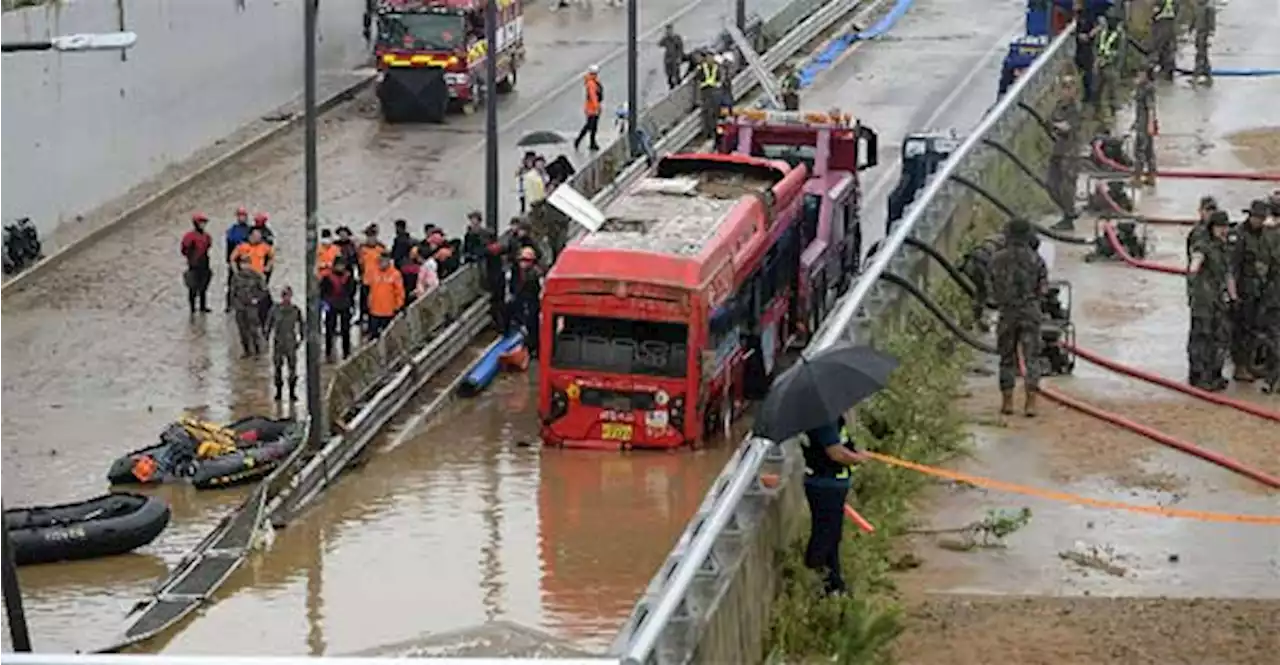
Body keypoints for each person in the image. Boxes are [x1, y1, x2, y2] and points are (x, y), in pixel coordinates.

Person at [990, 218, 1048, 416]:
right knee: (1032, 358)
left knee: (1006, 358)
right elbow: (1042, 289)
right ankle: (1030, 404)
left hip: (1007, 313)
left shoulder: (997, 258)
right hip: (1030, 312)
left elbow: (992, 288)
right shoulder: (1036, 259)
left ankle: (1007, 403)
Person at [800, 416, 863, 596]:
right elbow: (836, 453)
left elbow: (840, 443)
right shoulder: (823, 420)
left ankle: (834, 584)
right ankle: (816, 583)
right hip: (826, 485)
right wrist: (858, 459)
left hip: (830, 484)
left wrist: (854, 451)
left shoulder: (827, 417)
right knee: (825, 536)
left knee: (832, 536)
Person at [1187, 210, 1235, 391]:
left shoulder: (1225, 248)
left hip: (1218, 299)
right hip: (1203, 300)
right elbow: (1194, 266)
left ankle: (1215, 373)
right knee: (1202, 336)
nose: (1223, 231)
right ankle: (1198, 375)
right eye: (1220, 227)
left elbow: (1228, 274)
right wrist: (1194, 287)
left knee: (1220, 336)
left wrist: (1233, 297)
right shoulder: (1203, 245)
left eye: (1225, 227)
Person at [1231, 200, 1279, 382]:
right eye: (1256, 217)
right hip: (1244, 289)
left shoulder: (1265, 235)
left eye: (1261, 217)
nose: (1258, 221)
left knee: (1254, 328)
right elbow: (1233, 267)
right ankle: (1240, 366)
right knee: (1241, 329)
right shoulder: (1239, 235)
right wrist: (1232, 294)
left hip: (1260, 289)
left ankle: (1248, 363)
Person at [1047, 75, 1082, 229]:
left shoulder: (1076, 108)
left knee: (1067, 187)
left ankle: (1068, 217)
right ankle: (1068, 212)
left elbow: (1068, 127)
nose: (1066, 91)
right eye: (1064, 88)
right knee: (1051, 185)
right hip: (1057, 149)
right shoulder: (1059, 105)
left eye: (1069, 88)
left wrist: (1057, 125)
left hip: (1071, 152)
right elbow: (1051, 122)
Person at [960, 231, 1008, 331]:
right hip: (980, 265)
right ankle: (975, 321)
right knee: (985, 294)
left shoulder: (994, 238)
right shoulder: (1005, 243)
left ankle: (974, 321)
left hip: (971, 263)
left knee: (980, 294)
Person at [267, 286, 303, 401]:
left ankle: (292, 392)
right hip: (278, 342)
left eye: (288, 295)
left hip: (291, 342)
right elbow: (268, 324)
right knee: (277, 367)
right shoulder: (275, 309)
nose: (286, 298)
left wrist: (300, 339)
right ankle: (278, 392)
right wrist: (266, 337)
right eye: (284, 295)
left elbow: (302, 325)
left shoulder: (295, 310)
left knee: (292, 368)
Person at [229, 255, 268, 357]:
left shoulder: (257, 276)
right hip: (240, 307)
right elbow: (233, 292)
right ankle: (246, 351)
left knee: (254, 330)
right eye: (243, 263)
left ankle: (257, 351)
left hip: (252, 308)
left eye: (247, 263)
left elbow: (263, 292)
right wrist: (234, 305)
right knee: (242, 331)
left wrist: (257, 300)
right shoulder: (236, 277)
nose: (245, 266)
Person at [507, 246, 543, 355]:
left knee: (533, 325)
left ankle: (535, 347)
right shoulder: (517, 271)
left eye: (526, 260)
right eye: (521, 260)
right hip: (523, 302)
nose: (522, 263)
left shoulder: (536, 274)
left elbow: (541, 290)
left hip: (533, 303)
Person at [320, 259, 357, 362]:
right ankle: (328, 352)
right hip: (332, 305)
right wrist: (325, 303)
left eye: (342, 265)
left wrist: (350, 303)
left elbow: (352, 291)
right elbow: (323, 292)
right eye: (338, 265)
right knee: (329, 330)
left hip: (344, 305)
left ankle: (346, 352)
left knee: (345, 330)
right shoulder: (327, 278)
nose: (340, 268)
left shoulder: (349, 278)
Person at [365, 252, 405, 339]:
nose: (382, 263)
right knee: (373, 335)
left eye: (385, 261)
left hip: (388, 310)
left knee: (388, 336)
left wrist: (398, 306)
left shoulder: (395, 274)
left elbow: (400, 292)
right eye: (381, 260)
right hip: (374, 310)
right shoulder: (373, 271)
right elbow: (368, 287)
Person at [181, 213, 214, 313]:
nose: (203, 225)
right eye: (201, 223)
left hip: (204, 262)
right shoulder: (189, 237)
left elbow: (208, 246)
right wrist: (191, 258)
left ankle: (203, 306)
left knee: (204, 285)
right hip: (194, 264)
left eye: (204, 223)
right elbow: (184, 250)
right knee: (193, 286)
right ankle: (192, 308)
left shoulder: (207, 236)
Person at [1093, 14, 1123, 123]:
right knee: (1097, 89)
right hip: (1100, 65)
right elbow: (1096, 47)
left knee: (1112, 91)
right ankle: (1097, 113)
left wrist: (1109, 61)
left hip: (1111, 66)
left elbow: (1120, 53)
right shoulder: (1102, 33)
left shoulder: (1119, 36)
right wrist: (1097, 60)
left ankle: (1113, 114)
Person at [1131, 66, 1158, 186]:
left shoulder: (1148, 89)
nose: (1139, 75)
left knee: (1140, 150)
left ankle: (1138, 177)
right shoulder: (1141, 87)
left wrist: (1150, 124)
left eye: (1141, 73)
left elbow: (1151, 108)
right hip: (1141, 121)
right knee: (1148, 150)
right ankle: (1151, 176)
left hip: (1145, 123)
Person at [358, 224, 387, 325]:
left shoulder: (381, 248)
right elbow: (359, 263)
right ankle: (362, 316)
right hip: (365, 279)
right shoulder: (362, 248)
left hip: (377, 280)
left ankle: (373, 320)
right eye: (368, 236)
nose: (370, 239)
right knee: (363, 300)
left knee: (375, 301)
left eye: (371, 236)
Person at [224, 207, 252, 311]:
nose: (242, 218)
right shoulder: (233, 230)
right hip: (235, 259)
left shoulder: (250, 230)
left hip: (247, 260)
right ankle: (229, 304)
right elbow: (229, 245)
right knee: (232, 282)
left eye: (244, 216)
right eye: (240, 216)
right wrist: (228, 260)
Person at [574, 65, 603, 152]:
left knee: (593, 127)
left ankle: (592, 143)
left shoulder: (594, 81)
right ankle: (578, 140)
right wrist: (597, 107)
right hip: (591, 109)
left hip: (593, 107)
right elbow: (593, 96)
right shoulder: (591, 83)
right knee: (589, 126)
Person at [696, 51, 723, 138]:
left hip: (713, 91)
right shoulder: (702, 67)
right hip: (706, 91)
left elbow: (719, 78)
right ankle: (709, 132)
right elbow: (698, 78)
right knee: (707, 113)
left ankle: (713, 131)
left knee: (713, 112)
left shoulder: (715, 67)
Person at [1150, 0, 1178, 81]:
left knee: (1157, 46)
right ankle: (1168, 71)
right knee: (1169, 47)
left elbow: (1156, 10)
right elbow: (1177, 9)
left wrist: (1152, 17)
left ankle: (1152, 70)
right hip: (1170, 23)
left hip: (1161, 23)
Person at [1190, 0, 1215, 84]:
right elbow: (1194, 19)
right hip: (1198, 33)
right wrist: (1191, 30)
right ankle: (1208, 76)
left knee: (1200, 55)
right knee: (1203, 56)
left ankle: (1195, 76)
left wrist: (1210, 36)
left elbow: (1212, 23)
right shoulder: (1197, 6)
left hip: (1205, 34)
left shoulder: (1209, 8)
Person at [659, 24, 685, 90]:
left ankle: (679, 86)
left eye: (670, 30)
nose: (669, 31)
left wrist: (679, 57)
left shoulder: (676, 38)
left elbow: (680, 48)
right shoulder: (666, 39)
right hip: (668, 59)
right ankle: (671, 87)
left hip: (675, 58)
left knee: (676, 73)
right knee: (669, 75)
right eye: (667, 30)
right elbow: (660, 44)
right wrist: (664, 36)